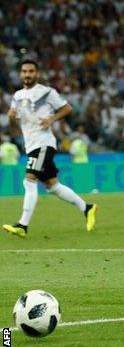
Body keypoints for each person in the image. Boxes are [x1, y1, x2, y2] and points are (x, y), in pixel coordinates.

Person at [2, 60, 97, 237]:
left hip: (44, 143)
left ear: (37, 73)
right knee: (52, 186)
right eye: (24, 71)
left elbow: (67, 108)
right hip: (31, 145)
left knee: (29, 180)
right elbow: (14, 122)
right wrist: (10, 116)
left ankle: (23, 225)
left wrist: (51, 119)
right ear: (20, 74)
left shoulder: (46, 92)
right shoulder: (17, 96)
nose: (27, 74)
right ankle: (87, 207)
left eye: (31, 71)